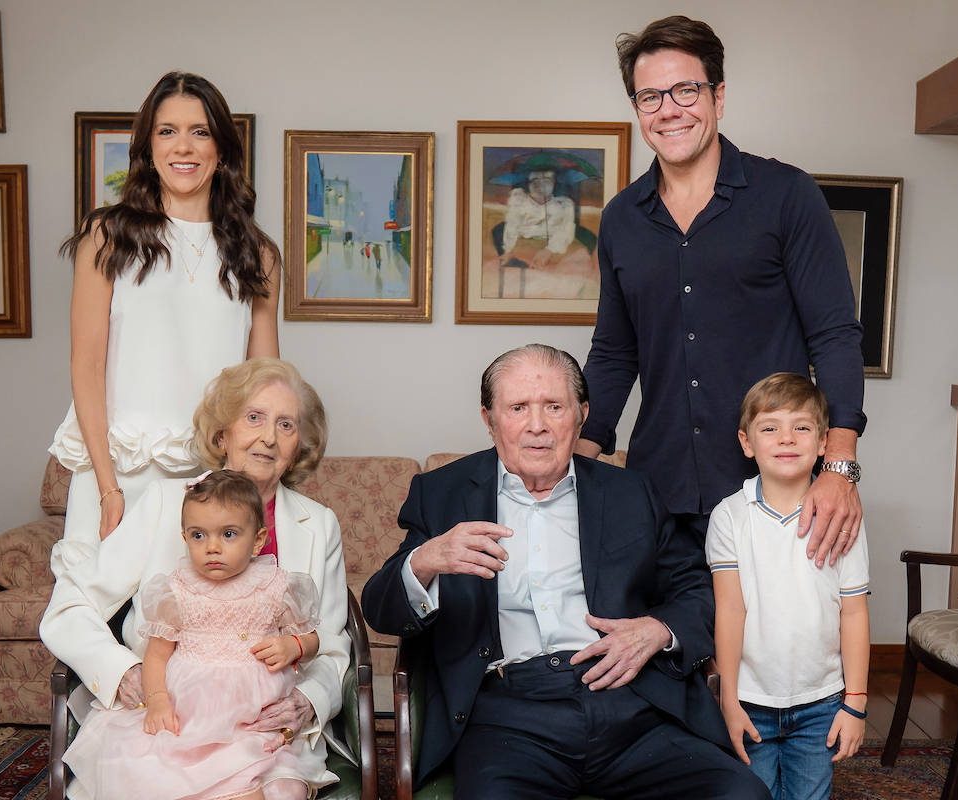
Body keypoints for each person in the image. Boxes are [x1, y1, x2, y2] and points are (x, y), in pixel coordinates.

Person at [361, 344, 770, 800]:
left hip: (633, 705)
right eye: (518, 407)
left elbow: (696, 589)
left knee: (742, 794)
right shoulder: (442, 493)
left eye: (554, 406)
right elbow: (379, 608)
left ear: (581, 415)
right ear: (489, 419)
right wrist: (425, 560)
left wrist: (658, 629)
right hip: (507, 718)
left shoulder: (632, 492)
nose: (537, 425)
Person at [577, 15, 866, 566]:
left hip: (776, 492)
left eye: (686, 90)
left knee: (778, 628)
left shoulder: (787, 196)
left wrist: (839, 468)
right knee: (660, 624)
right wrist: (573, 462)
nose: (668, 109)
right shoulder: (620, 220)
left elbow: (834, 336)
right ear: (637, 109)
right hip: (658, 496)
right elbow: (614, 354)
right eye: (650, 96)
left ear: (719, 96)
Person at [41, 358, 348, 800]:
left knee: (281, 793)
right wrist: (124, 672)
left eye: (286, 425)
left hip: (266, 729)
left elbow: (331, 642)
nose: (268, 437)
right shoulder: (165, 502)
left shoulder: (319, 524)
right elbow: (68, 605)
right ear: (222, 435)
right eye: (254, 418)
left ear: (298, 446)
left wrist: (308, 702)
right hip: (170, 717)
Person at [49, 71, 282, 578]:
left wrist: (253, 492)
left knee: (196, 620)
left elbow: (265, 388)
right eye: (167, 131)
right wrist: (107, 489)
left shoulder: (258, 254)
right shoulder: (107, 237)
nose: (184, 147)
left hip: (210, 485)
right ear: (148, 147)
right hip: (118, 472)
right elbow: (86, 367)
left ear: (221, 148)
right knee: (93, 608)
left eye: (200, 132)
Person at [64, 470, 328, 800]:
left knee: (250, 778)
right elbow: (157, 654)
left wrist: (295, 646)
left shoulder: (276, 586)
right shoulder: (177, 590)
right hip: (189, 715)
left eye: (229, 534)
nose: (212, 547)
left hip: (252, 718)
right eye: (198, 535)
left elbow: (313, 640)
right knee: (166, 775)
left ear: (258, 540)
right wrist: (157, 700)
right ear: (185, 537)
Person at [707, 373, 870, 799]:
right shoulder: (729, 516)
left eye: (801, 427)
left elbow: (854, 612)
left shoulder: (842, 517)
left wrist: (855, 702)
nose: (786, 438)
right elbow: (730, 610)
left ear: (823, 442)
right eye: (770, 428)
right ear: (747, 443)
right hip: (750, 702)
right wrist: (728, 700)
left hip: (821, 704)